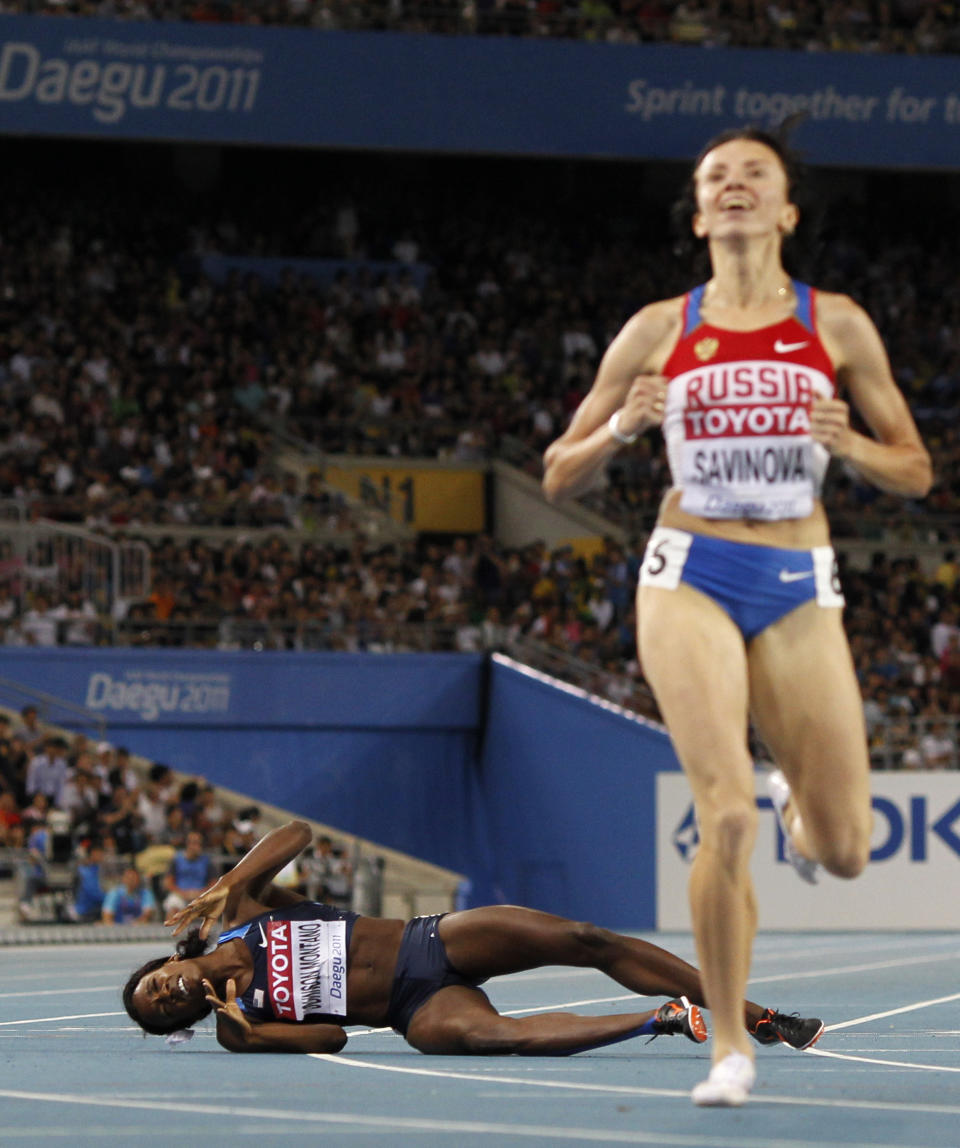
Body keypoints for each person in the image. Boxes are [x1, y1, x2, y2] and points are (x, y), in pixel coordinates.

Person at [541, 128, 931, 1106]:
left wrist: (853, 447)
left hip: (798, 577)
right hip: (690, 570)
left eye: (757, 173)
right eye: (719, 176)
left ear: (789, 208)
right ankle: (728, 1046)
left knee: (843, 844)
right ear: (701, 211)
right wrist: (626, 422)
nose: (738, 185)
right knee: (722, 812)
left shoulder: (834, 323)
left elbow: (916, 469)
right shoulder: (656, 327)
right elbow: (556, 469)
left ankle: (801, 806)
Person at [123, 819, 821, 1057]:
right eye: (163, 1012)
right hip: (413, 1011)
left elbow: (299, 834)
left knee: (585, 937)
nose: (165, 997)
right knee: (498, 1037)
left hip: (433, 943)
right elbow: (332, 1039)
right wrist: (247, 1030)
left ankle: (757, 1017)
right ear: (181, 1018)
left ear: (163, 966)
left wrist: (231, 875)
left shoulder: (240, 911)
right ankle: (660, 1018)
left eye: (154, 987)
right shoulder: (234, 1029)